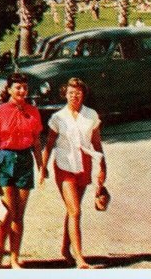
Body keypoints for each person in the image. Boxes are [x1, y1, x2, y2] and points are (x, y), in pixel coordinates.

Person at [39, 78, 107, 268]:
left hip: (84, 165)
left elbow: (97, 143)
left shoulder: (91, 115)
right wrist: (43, 168)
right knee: (75, 210)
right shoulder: (58, 117)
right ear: (65, 94)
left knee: (72, 211)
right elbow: (49, 144)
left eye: (78, 93)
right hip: (64, 165)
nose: (74, 96)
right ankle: (80, 258)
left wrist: (103, 167)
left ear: (83, 94)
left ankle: (65, 249)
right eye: (70, 93)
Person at [0, 73, 43, 269]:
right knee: (6, 213)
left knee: (19, 215)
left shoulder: (33, 112)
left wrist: (41, 165)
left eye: (24, 88)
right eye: (17, 87)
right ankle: (0, 251)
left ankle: (14, 257)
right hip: (5, 160)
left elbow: (36, 142)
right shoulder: (0, 111)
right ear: (9, 89)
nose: (22, 91)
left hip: (25, 160)